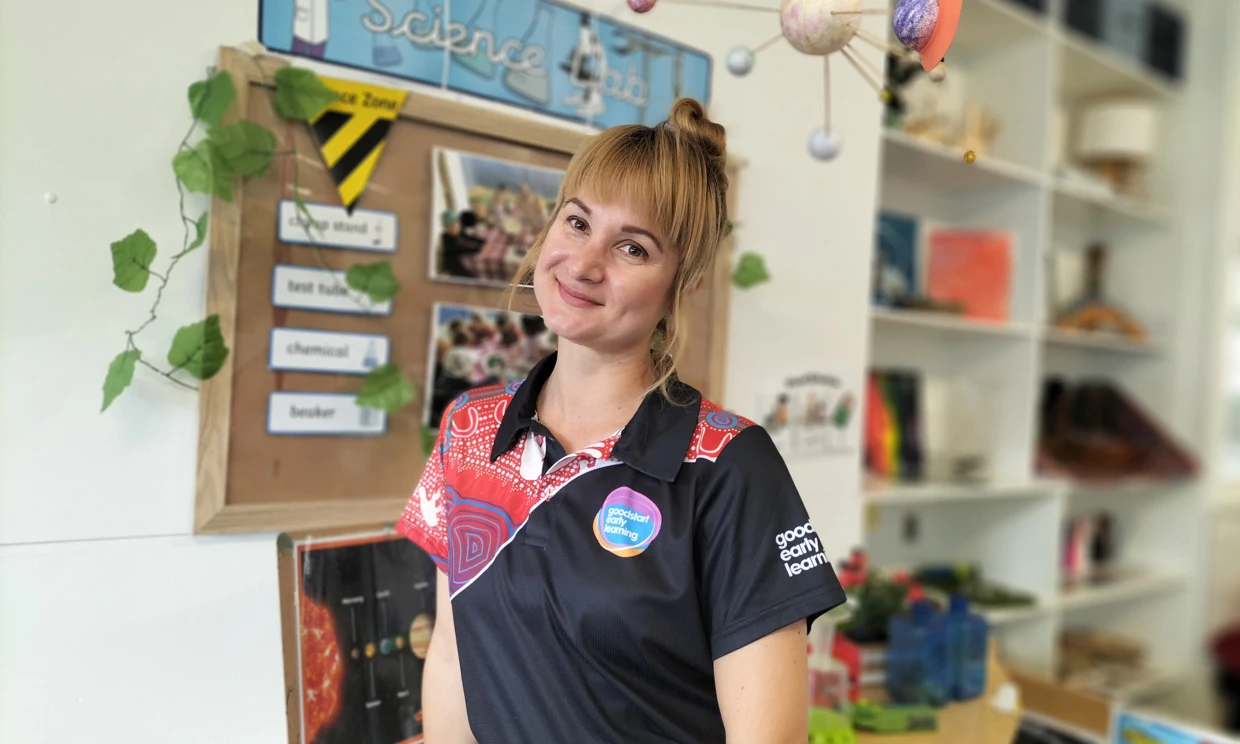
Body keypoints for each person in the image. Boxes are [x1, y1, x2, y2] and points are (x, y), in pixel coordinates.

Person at [396, 98, 846, 743]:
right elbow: (450, 657)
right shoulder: (469, 428)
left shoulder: (728, 463)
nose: (584, 263)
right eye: (577, 222)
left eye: (632, 247)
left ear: (681, 283)